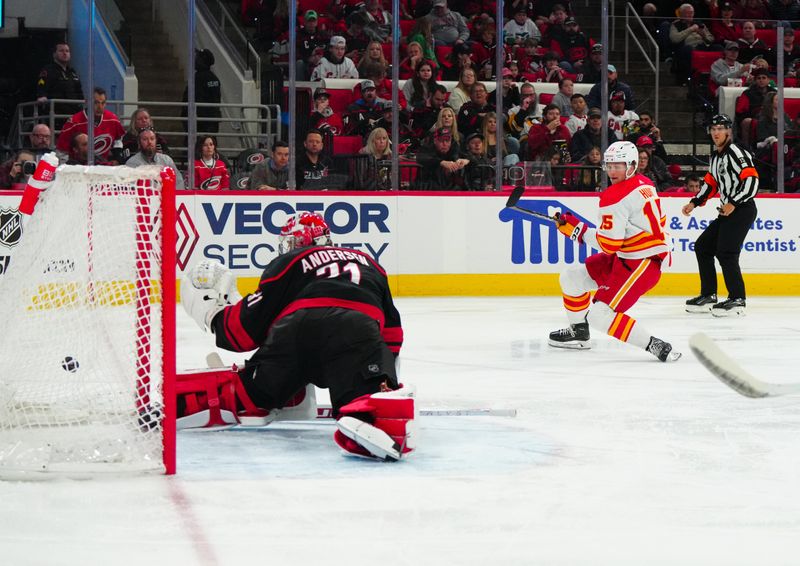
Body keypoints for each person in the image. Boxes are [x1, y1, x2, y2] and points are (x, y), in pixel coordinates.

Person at [178, 212, 414, 460]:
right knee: (363, 398)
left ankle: (200, 400)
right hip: (355, 329)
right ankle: (369, 412)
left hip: (295, 331)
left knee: (254, 392)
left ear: (294, 243)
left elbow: (246, 330)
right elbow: (392, 334)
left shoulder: (289, 261)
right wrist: (380, 375)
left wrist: (215, 317)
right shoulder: (371, 264)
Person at [548, 140, 681, 362]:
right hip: (627, 257)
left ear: (631, 165)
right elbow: (622, 235)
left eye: (617, 165)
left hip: (642, 263)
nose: (612, 171)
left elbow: (609, 245)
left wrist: (577, 231)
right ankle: (579, 332)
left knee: (599, 316)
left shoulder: (614, 195)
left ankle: (655, 345)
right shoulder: (645, 183)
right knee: (571, 277)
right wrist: (579, 229)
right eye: (609, 165)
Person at [682, 114, 759, 316]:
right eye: (713, 129)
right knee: (703, 247)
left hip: (742, 209)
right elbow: (711, 183)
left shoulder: (735, 151)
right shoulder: (716, 156)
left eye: (720, 129)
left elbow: (752, 182)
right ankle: (709, 294)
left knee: (727, 253)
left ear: (728, 131)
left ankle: (737, 299)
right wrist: (695, 201)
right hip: (728, 211)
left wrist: (734, 202)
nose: (716, 133)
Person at [55, 87, 126, 164]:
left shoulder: (113, 120)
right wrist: (67, 169)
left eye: (103, 103)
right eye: (96, 103)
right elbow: (61, 151)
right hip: (78, 167)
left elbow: (118, 140)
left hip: (103, 166)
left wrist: (117, 157)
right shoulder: (74, 123)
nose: (100, 107)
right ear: (87, 102)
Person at [35, 42, 84, 126]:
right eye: (61, 51)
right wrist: (41, 96)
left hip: (73, 115)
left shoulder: (72, 72)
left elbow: (79, 91)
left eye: (67, 51)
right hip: (57, 115)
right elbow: (42, 88)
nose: (65, 53)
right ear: (54, 54)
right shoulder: (48, 70)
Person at [184, 49, 222, 134]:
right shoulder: (214, 78)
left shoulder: (198, 79)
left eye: (197, 57)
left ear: (202, 61)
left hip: (200, 121)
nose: (195, 59)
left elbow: (190, 98)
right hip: (211, 120)